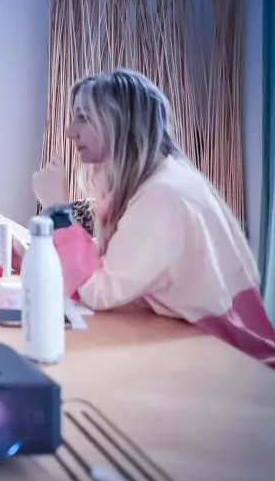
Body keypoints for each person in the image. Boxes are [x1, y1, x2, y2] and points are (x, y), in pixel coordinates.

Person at [19, 68, 275, 365]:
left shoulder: (164, 196)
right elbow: (113, 267)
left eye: (84, 118)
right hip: (195, 343)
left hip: (236, 360)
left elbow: (98, 291)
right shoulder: (153, 180)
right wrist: (37, 256)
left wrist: (57, 210)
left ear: (121, 124)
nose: (70, 131)